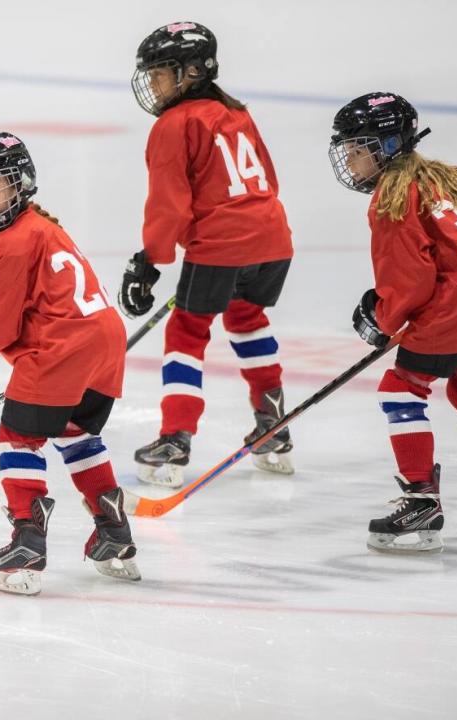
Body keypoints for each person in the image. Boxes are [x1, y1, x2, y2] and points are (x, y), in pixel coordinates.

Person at [0, 132, 140, 596]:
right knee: (75, 431)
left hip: (63, 348)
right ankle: (114, 530)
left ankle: (27, 540)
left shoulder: (14, 243)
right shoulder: (45, 227)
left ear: (19, 183)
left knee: (19, 439)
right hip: (104, 342)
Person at [329, 92, 457, 552]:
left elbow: (410, 282)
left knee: (402, 388)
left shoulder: (391, 196)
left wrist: (381, 317)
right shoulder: (450, 176)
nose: (351, 160)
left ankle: (420, 500)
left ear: (389, 145)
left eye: (359, 148)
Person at [121, 22, 296, 489]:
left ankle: (175, 436)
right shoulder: (236, 113)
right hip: (273, 239)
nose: (153, 84)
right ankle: (272, 424)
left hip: (223, 243)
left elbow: (168, 203)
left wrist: (150, 261)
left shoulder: (173, 125)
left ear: (193, 71)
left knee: (186, 330)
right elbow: (269, 181)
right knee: (247, 318)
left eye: (161, 74)